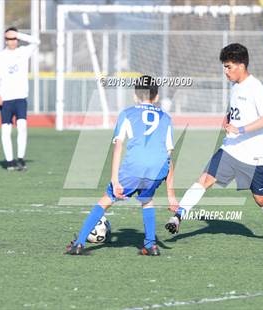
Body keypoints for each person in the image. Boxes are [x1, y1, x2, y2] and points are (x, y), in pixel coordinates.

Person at [165, 43, 263, 243]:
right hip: (230, 149)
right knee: (204, 179)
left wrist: (240, 129)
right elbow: (237, 110)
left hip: (254, 155)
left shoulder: (255, 87)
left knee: (260, 198)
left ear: (241, 65)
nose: (225, 71)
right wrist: (228, 118)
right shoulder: (235, 86)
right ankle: (178, 216)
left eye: (228, 66)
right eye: (224, 67)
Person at [65, 75, 178, 256]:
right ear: (156, 97)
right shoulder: (166, 118)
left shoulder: (127, 113)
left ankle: (79, 243)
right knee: (147, 200)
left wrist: (115, 179)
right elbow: (168, 156)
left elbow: (118, 147)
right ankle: (150, 245)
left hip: (133, 168)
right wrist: (171, 195)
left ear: (135, 96)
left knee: (106, 200)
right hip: (157, 170)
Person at [0, 27, 40, 171]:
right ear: (5, 40)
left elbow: (37, 41)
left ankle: (20, 159)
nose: (12, 41)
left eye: (14, 38)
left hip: (20, 98)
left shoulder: (23, 52)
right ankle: (9, 161)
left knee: (22, 127)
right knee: (6, 130)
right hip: (6, 99)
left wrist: (18, 33)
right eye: (9, 38)